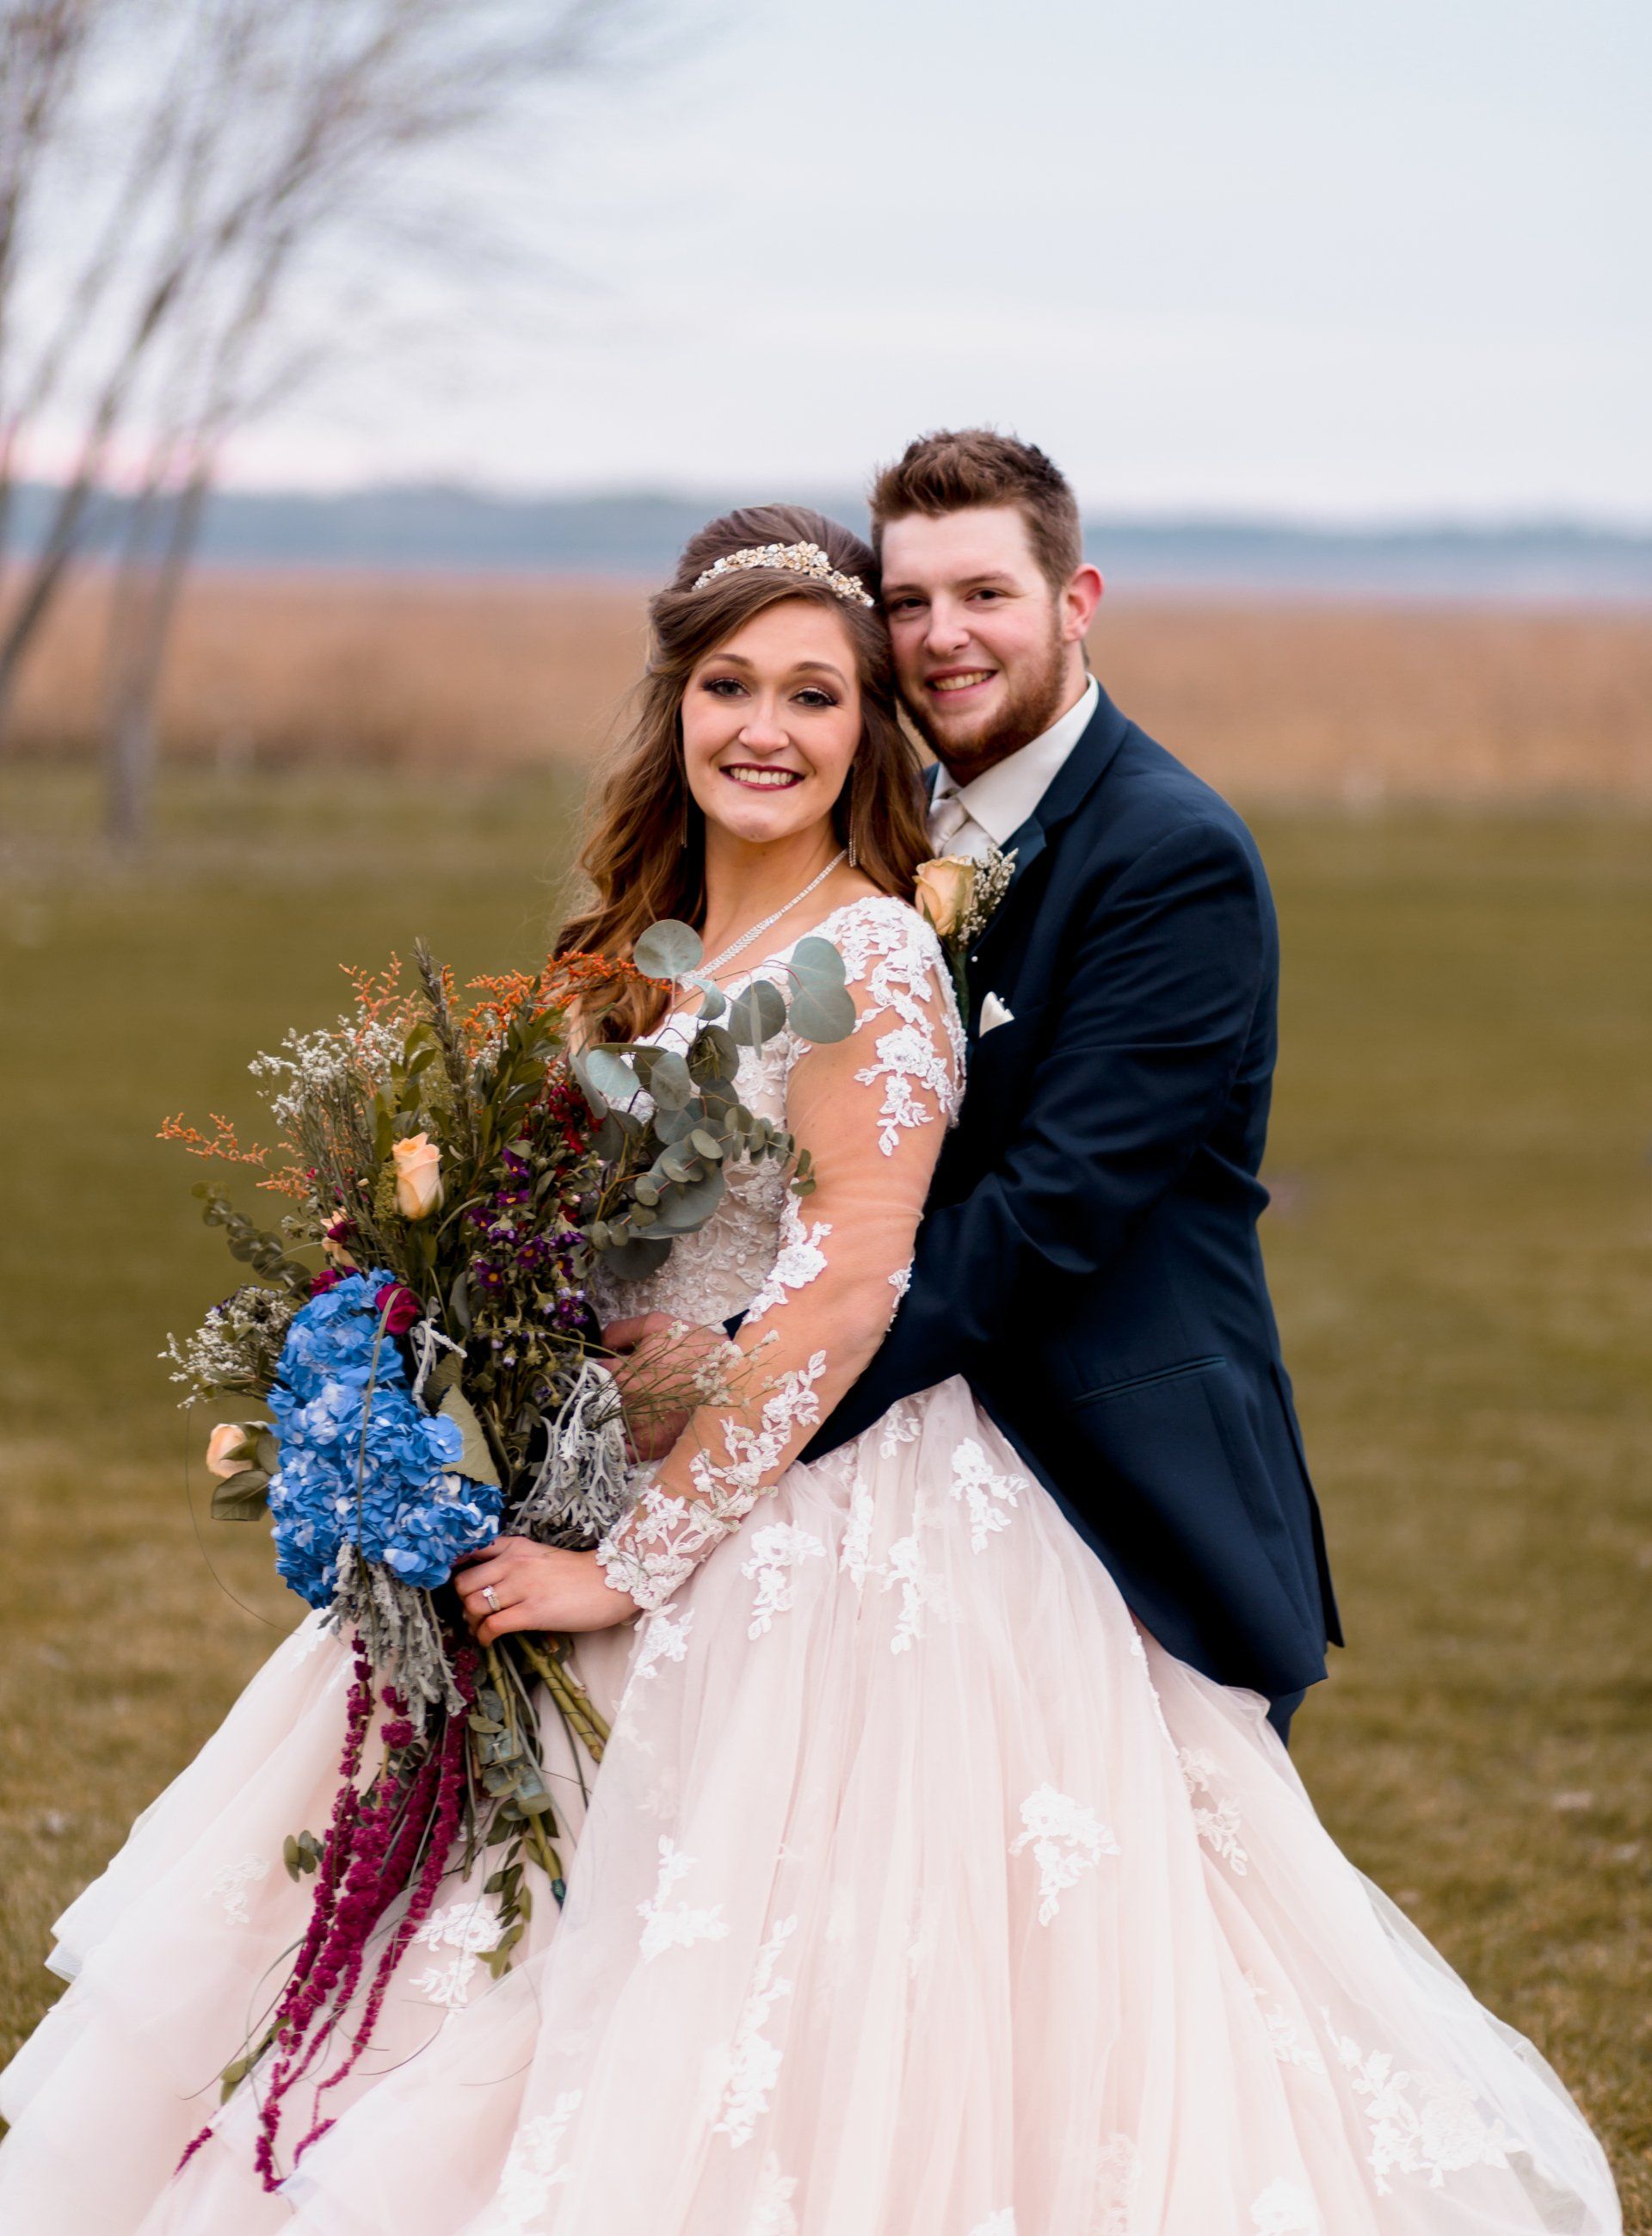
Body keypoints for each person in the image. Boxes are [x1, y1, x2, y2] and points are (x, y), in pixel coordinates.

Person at [0, 501, 1619, 2236]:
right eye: (727, 686)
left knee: (753, 2001)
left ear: (867, 738)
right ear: (674, 706)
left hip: (814, 1533)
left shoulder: (875, 961)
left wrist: (626, 1561)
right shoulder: (623, 955)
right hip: (594, 1468)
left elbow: (852, 1288)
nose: (764, 728)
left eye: (815, 696)